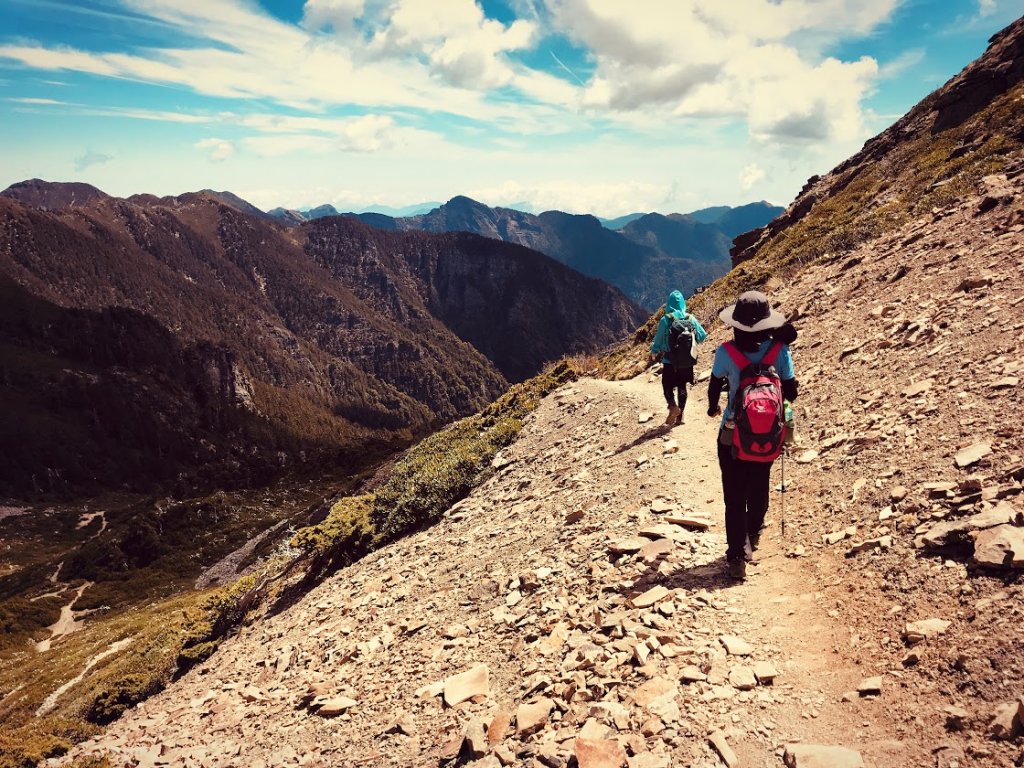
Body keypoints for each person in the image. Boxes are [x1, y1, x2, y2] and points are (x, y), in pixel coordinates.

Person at [707, 291, 799, 580]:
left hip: (732, 434)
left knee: (733, 495)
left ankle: (736, 556)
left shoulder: (726, 352)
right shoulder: (779, 351)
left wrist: (714, 407)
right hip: (768, 434)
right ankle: (754, 531)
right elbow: (792, 391)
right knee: (760, 482)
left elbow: (713, 387)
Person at [649, 290, 708, 426]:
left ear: (668, 304)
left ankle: (673, 406)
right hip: (687, 361)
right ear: (683, 303)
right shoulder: (690, 318)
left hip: (670, 360)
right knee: (682, 386)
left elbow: (658, 340)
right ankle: (680, 417)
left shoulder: (666, 319)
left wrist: (654, 351)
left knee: (667, 386)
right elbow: (703, 335)